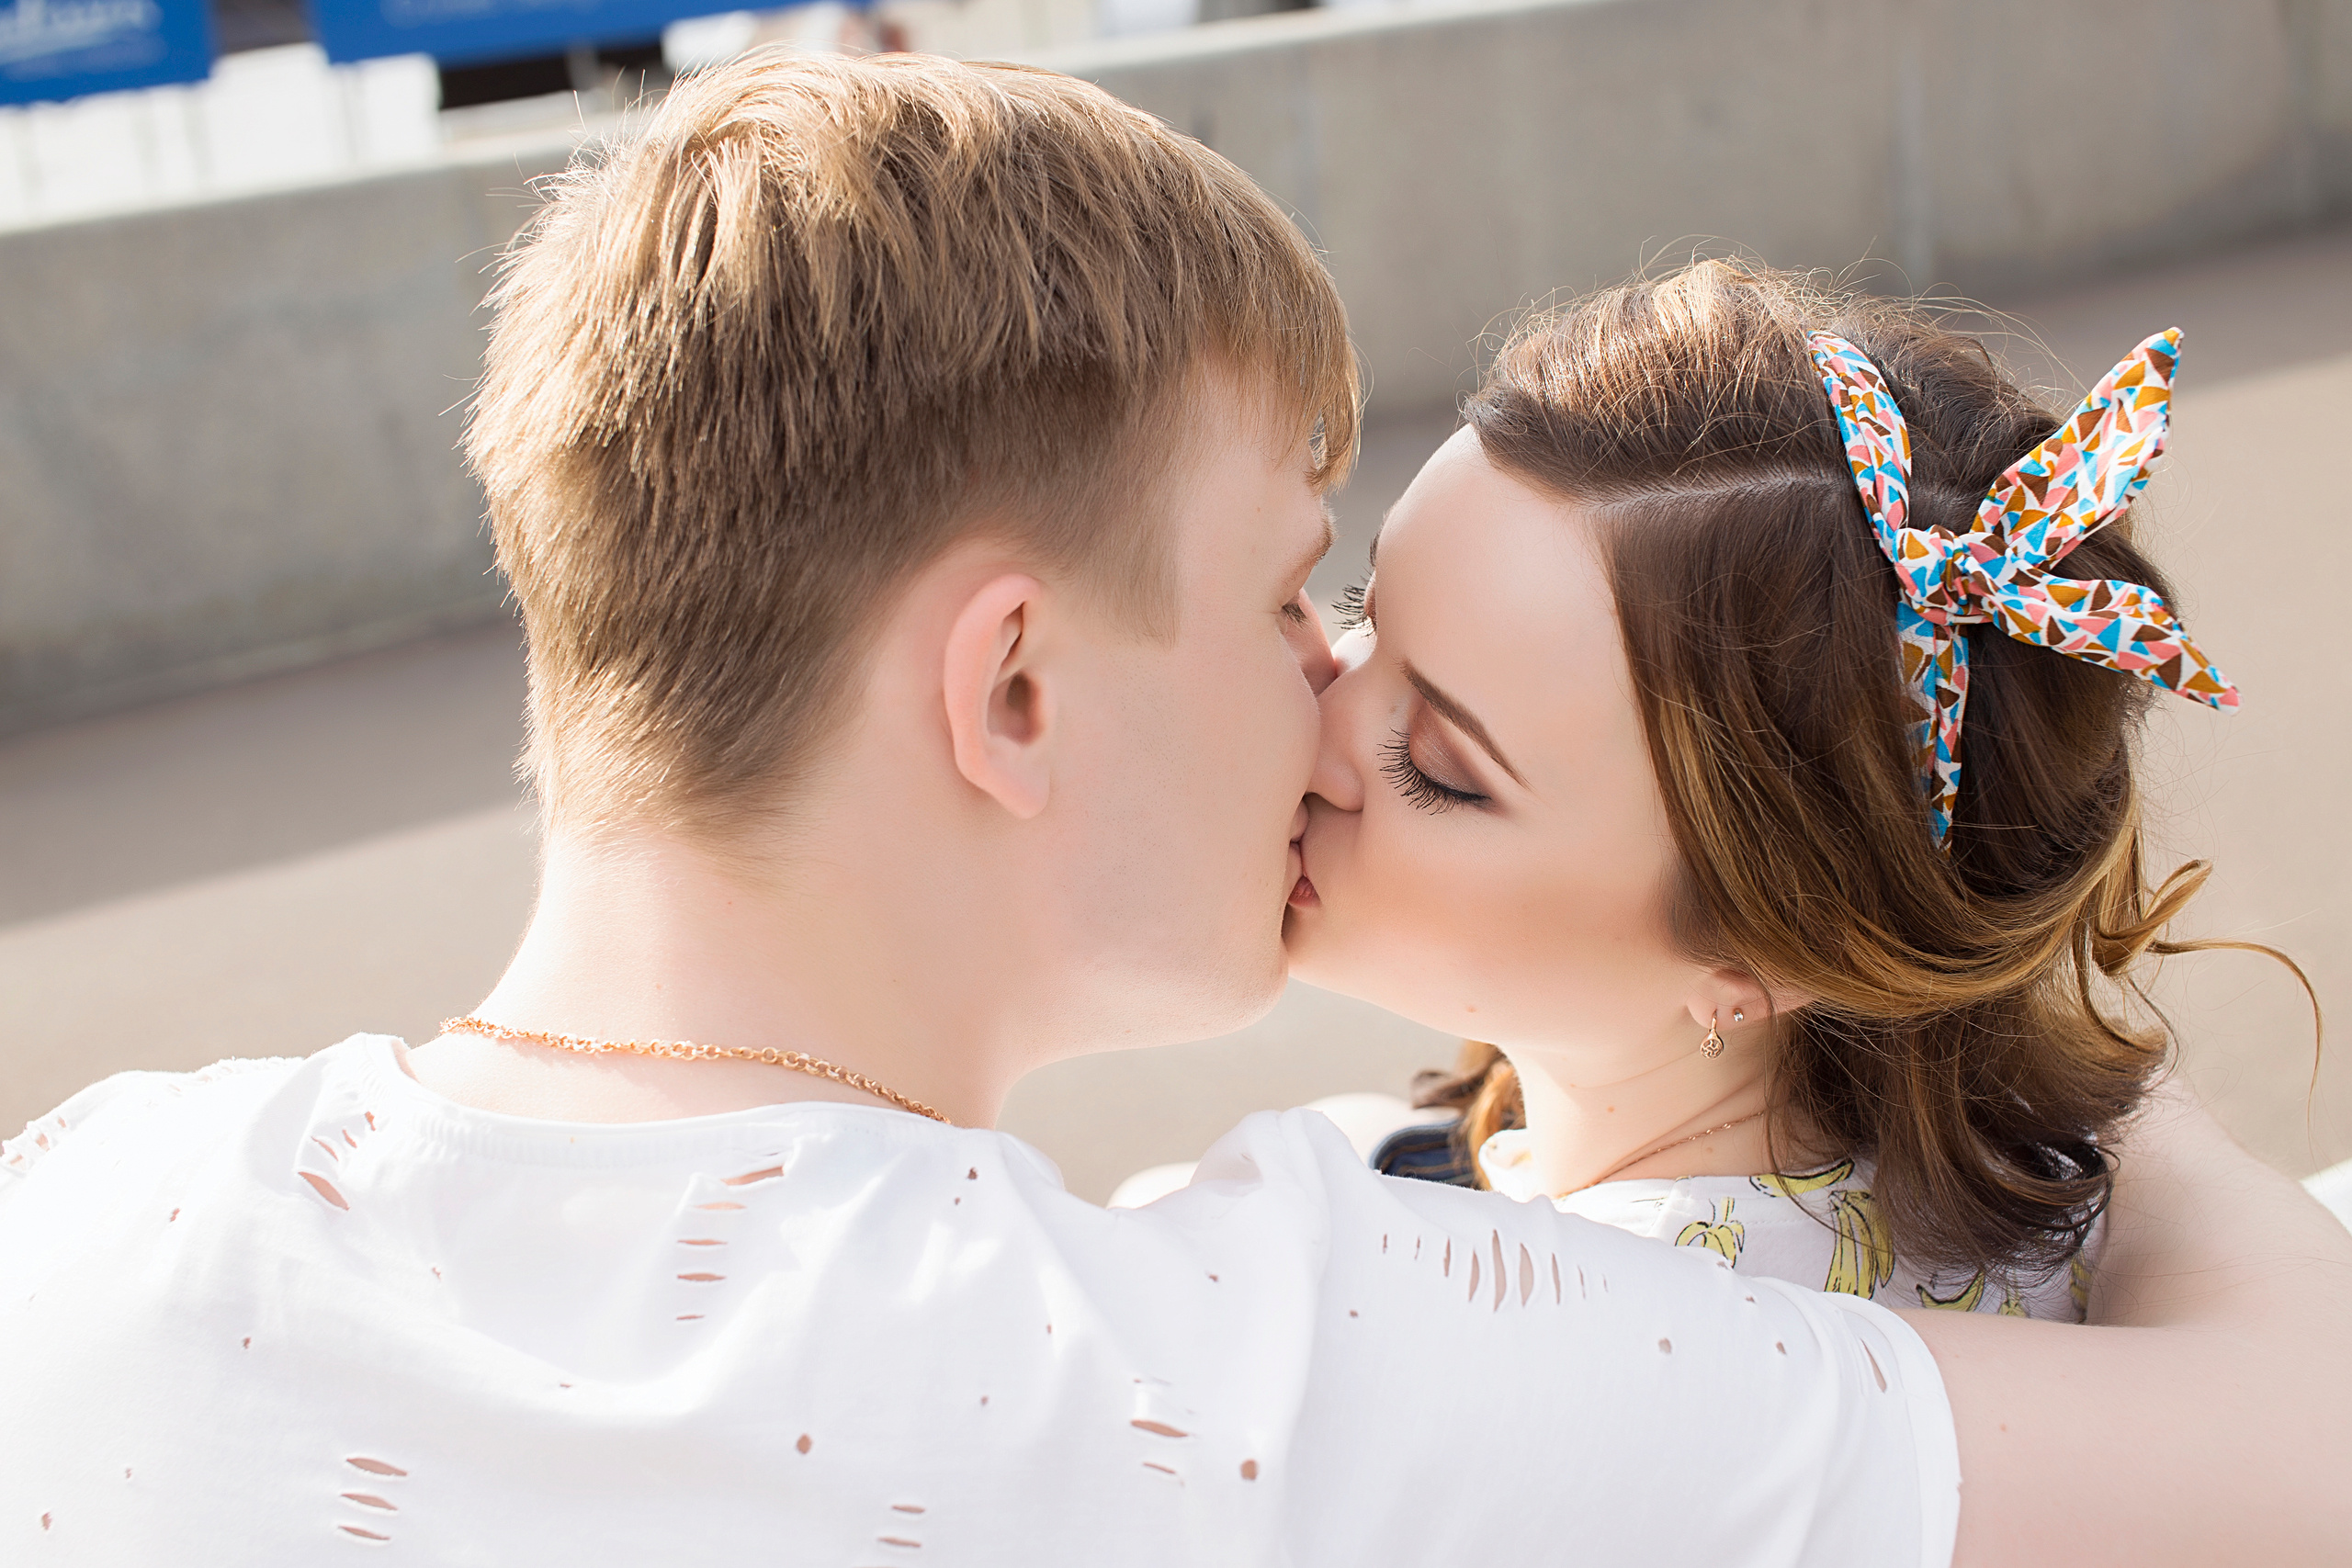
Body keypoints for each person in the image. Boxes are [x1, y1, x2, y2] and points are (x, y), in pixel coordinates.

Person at [0, 51, 2343, 1567]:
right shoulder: (1301, 1366)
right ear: (1010, 683)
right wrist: (2026, 1021)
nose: (1324, 696)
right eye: (1292, 594)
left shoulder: (83, 1212)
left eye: (1423, 722)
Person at [1290, 261, 2317, 1324]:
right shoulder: (2095, 1208)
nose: (1311, 726)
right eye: (1363, 608)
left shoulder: (1531, 1342)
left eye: (1438, 768)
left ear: (1759, 955)